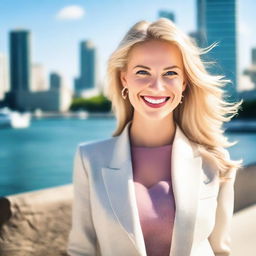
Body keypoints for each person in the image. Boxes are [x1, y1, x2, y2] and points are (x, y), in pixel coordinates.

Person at [67, 18, 243, 256]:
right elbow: (81, 250)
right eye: (142, 72)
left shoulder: (216, 161)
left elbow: (221, 250)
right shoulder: (89, 158)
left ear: (184, 83)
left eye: (170, 73)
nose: (157, 86)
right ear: (124, 79)